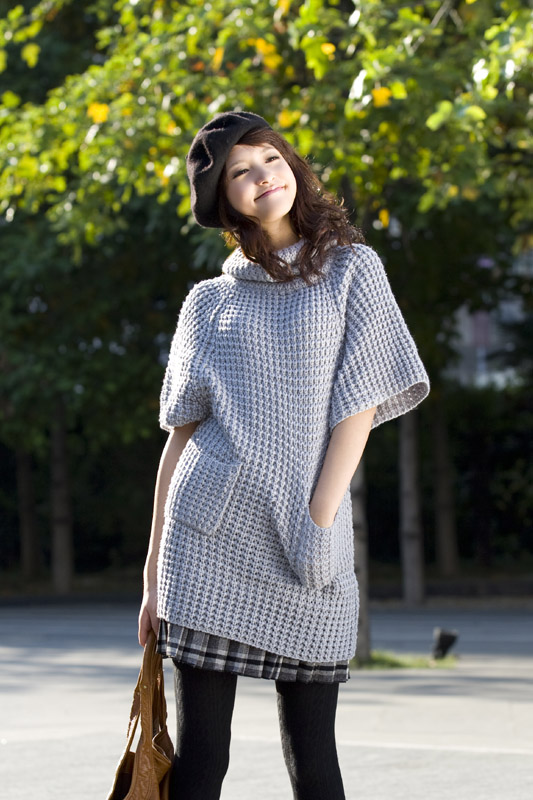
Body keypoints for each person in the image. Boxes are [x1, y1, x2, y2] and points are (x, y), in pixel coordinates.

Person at [138, 110, 430, 800]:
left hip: (308, 538)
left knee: (315, 762)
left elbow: (358, 408)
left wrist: (319, 519)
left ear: (291, 165)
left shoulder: (352, 270)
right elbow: (181, 437)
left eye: (269, 158)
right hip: (206, 548)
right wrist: (152, 576)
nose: (262, 175)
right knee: (201, 761)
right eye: (241, 172)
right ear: (225, 201)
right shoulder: (207, 303)